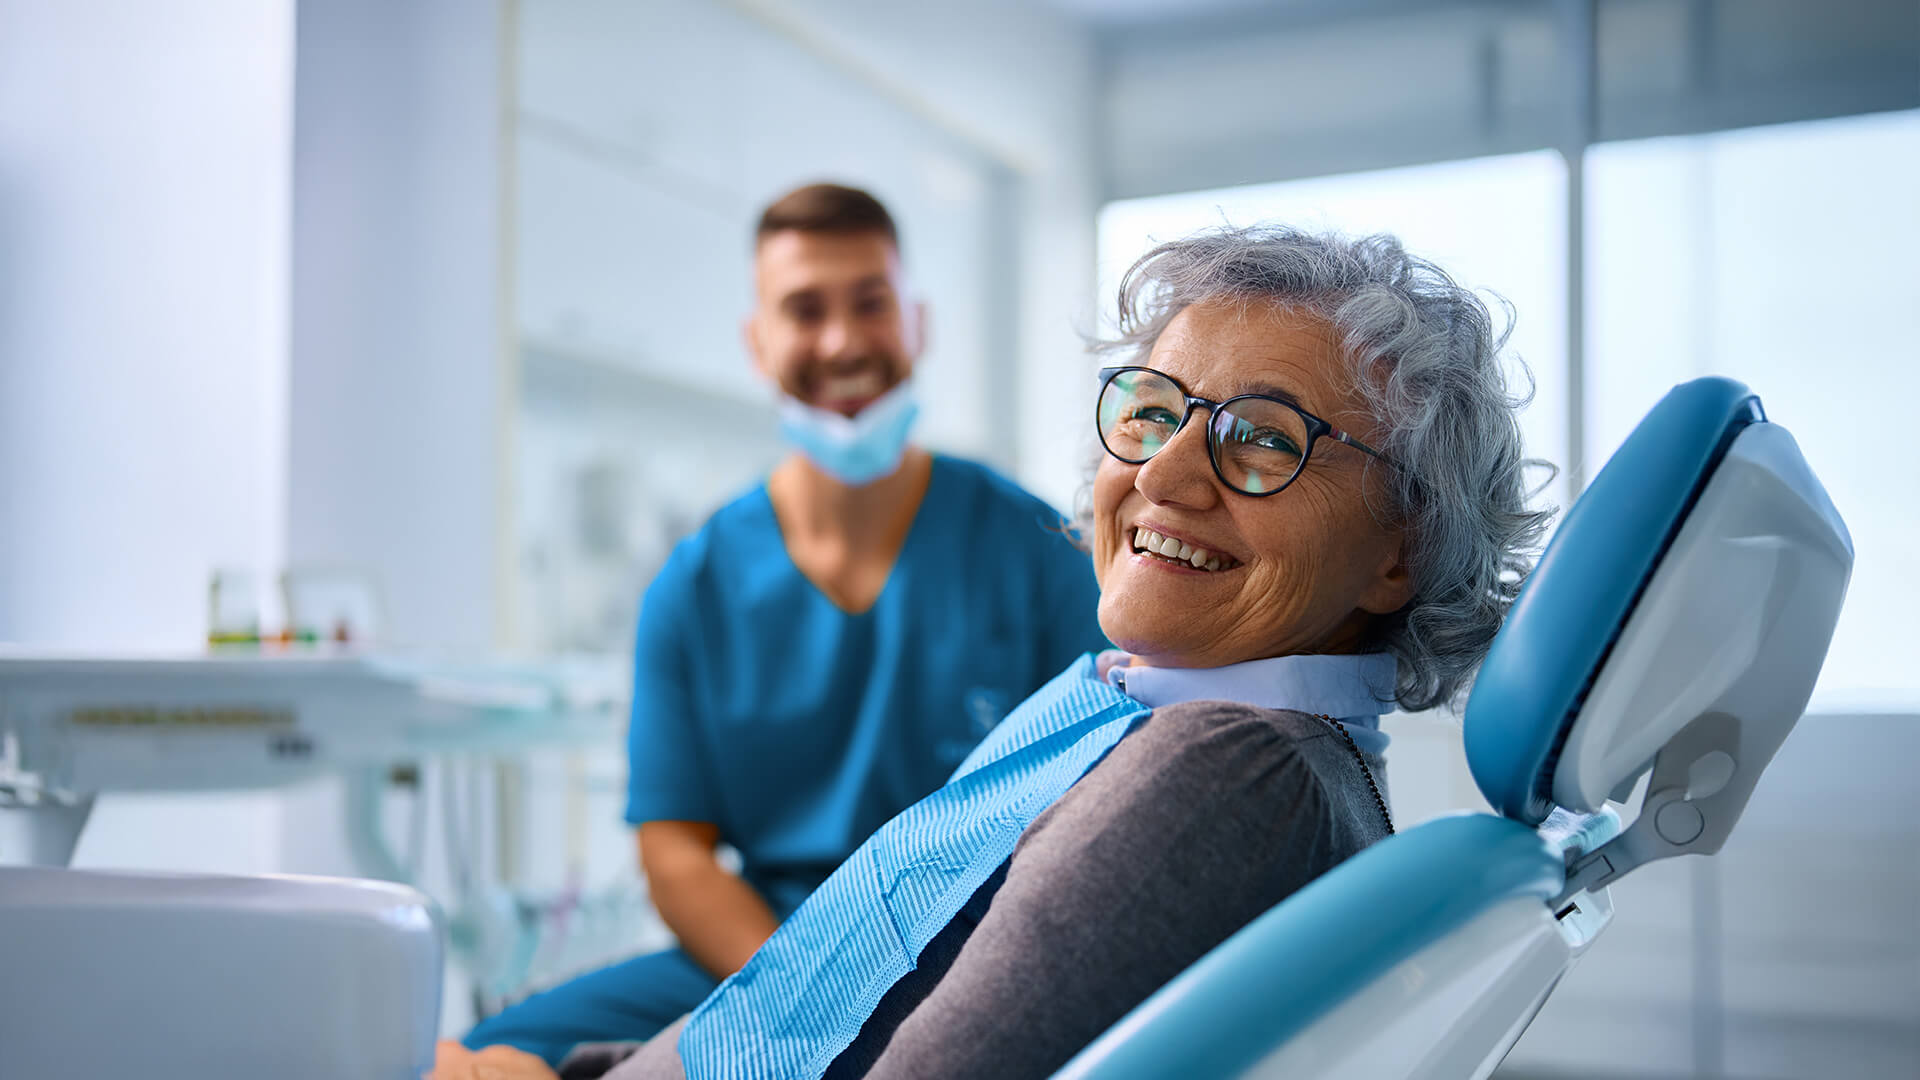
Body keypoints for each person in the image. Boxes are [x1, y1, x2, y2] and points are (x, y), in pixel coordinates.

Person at [433, 223, 1552, 1080]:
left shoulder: (1228, 770)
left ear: (1400, 551)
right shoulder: (1149, 706)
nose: (1162, 476)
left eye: (1262, 439)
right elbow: (844, 991)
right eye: (1154, 410)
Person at [458, 184, 1108, 1067]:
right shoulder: (694, 588)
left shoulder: (1034, 552)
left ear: (917, 323)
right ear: (757, 342)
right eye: (805, 310)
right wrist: (799, 998)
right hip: (760, 953)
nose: (841, 340)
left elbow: (1102, 800)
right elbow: (676, 852)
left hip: (973, 952)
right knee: (474, 1057)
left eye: (870, 304)